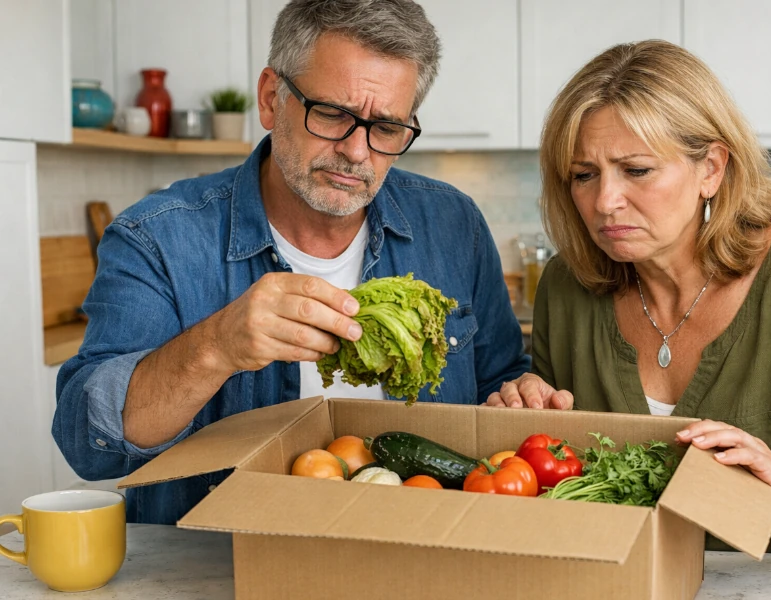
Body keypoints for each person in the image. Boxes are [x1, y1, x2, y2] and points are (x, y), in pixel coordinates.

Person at [53, 0, 529, 524]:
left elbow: (499, 382)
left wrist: (518, 399)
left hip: (422, 544)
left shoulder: (455, 224)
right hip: (220, 554)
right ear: (270, 99)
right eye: (332, 114)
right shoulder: (157, 237)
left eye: (387, 128)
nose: (357, 152)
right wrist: (217, 346)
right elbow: (89, 446)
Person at [486, 40, 771, 567]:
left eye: (636, 170)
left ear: (711, 168)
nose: (604, 201)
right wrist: (522, 418)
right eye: (583, 175)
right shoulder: (567, 286)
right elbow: (552, 479)